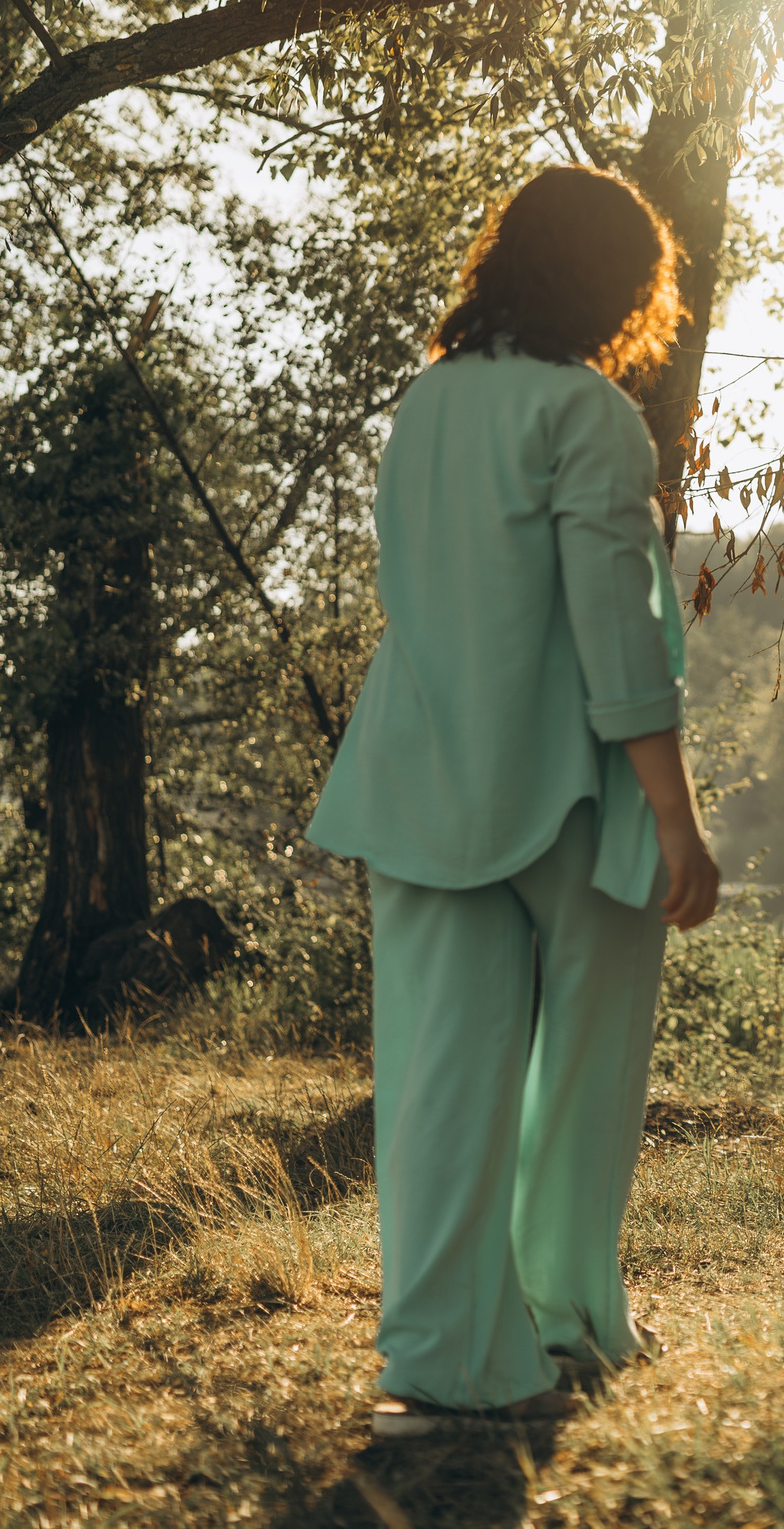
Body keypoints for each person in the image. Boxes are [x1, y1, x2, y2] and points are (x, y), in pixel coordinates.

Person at [305, 166, 722, 1440]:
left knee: (436, 1078)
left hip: (420, 773)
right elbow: (616, 630)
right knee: (588, 1069)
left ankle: (444, 1357)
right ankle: (563, 1317)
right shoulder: (585, 411)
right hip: (570, 791)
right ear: (618, 288)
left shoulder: (427, 400)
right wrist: (675, 814)